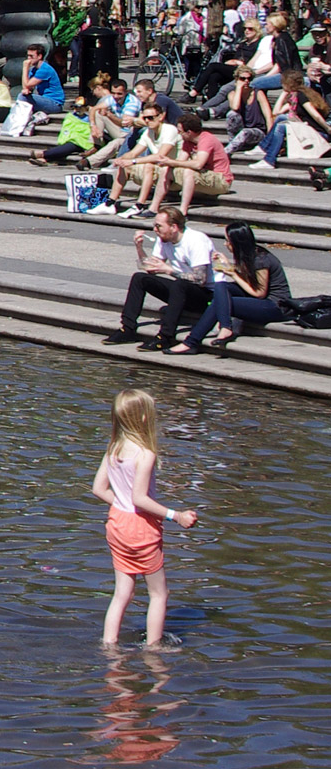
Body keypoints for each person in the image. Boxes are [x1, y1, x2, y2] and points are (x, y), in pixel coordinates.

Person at [88, 389, 196, 647]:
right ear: (145, 418)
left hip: (117, 524)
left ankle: (109, 644)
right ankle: (153, 648)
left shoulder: (113, 449)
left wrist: (122, 505)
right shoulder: (145, 454)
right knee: (159, 593)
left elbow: (98, 489)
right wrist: (176, 516)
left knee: (122, 593)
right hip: (140, 528)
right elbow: (139, 499)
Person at [174, 221, 293, 354]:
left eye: (228, 241)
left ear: (237, 242)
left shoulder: (261, 259)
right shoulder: (247, 254)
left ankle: (194, 341)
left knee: (221, 301)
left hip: (275, 306)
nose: (225, 244)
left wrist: (232, 273)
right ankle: (214, 332)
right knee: (221, 286)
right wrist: (227, 265)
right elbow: (248, 280)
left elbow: (260, 293)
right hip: (257, 299)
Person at [110, 206, 214, 350]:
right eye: (154, 225)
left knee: (179, 284)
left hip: (207, 296)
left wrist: (169, 270)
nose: (155, 230)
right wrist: (139, 247)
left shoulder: (196, 240)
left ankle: (165, 336)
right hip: (183, 290)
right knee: (140, 278)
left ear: (174, 227)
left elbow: (200, 279)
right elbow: (151, 269)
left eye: (159, 226)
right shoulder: (164, 239)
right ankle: (127, 328)